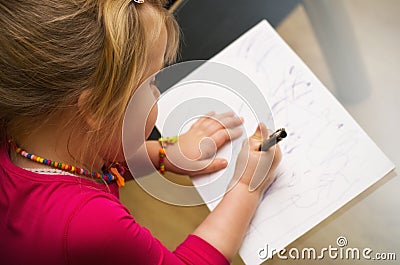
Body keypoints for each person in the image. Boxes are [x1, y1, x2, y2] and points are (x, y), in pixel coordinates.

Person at [0, 0, 281, 264]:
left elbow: (98, 151)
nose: (157, 93)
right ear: (96, 108)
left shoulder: (26, 132)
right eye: (152, 82)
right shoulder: (91, 224)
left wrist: (166, 154)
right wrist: (246, 185)